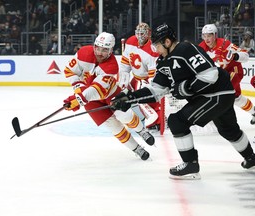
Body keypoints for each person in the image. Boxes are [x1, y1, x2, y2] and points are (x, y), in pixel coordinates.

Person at [111, 24, 255, 179]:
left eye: (157, 45)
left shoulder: (186, 49)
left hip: (216, 94)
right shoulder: (163, 61)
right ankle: (251, 158)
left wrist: (184, 88)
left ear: (167, 42)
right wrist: (129, 98)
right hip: (218, 95)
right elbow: (156, 91)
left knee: (177, 121)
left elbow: (210, 74)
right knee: (229, 130)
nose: (155, 49)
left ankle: (191, 165)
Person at [62, 32, 155, 160]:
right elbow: (70, 71)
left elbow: (98, 90)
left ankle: (141, 131)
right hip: (89, 100)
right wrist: (78, 89)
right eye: (97, 48)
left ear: (111, 51)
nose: (99, 52)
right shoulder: (83, 53)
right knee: (113, 126)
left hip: (109, 94)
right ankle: (136, 148)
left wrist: (79, 99)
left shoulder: (111, 66)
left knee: (126, 116)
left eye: (104, 50)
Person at [199, 24, 255, 125]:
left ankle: (218, 119)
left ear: (215, 35)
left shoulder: (226, 44)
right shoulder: (201, 48)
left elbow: (245, 56)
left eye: (209, 35)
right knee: (237, 98)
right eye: (204, 36)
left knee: (222, 92)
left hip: (234, 71)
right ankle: (254, 112)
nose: (206, 39)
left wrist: (234, 55)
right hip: (220, 74)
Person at [118, 22, 161, 133]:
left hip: (146, 79)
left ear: (148, 34)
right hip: (135, 78)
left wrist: (149, 87)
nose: (140, 36)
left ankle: (155, 120)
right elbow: (125, 63)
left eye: (143, 33)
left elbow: (153, 73)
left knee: (146, 99)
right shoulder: (130, 41)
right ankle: (133, 117)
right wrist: (124, 80)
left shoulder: (153, 49)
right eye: (138, 33)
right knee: (124, 95)